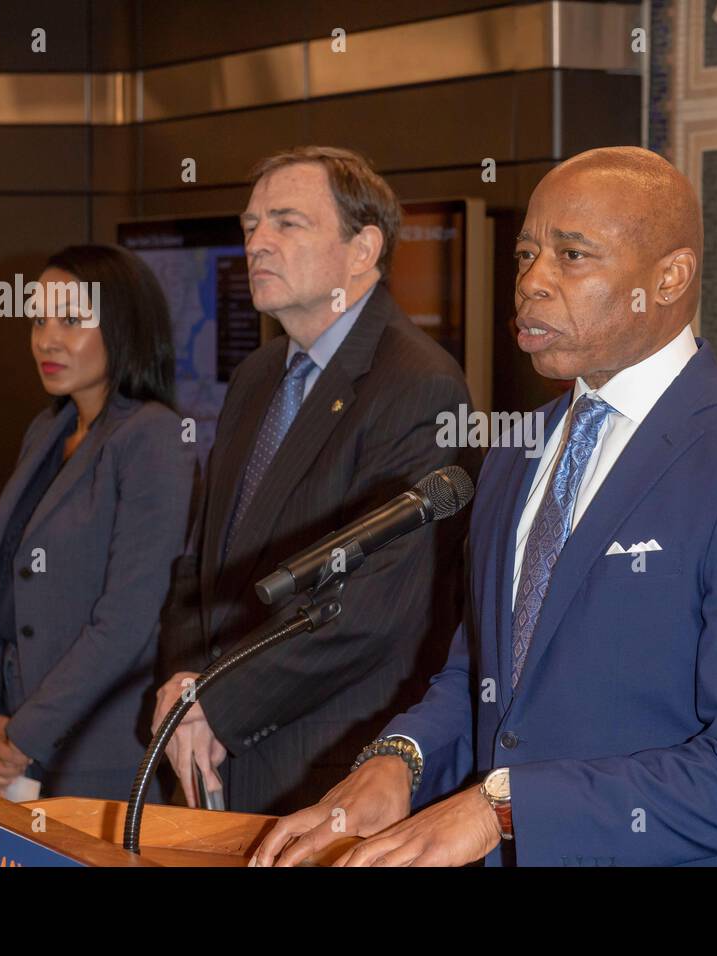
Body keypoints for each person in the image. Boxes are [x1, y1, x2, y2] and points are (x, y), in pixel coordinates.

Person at [250, 146, 717, 867]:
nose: (532, 283)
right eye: (526, 255)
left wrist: (503, 808)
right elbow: (480, 672)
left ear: (669, 278)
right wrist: (400, 761)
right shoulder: (518, 447)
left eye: (571, 255)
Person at [153, 146, 477, 814]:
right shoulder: (256, 375)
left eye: (286, 223)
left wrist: (218, 704)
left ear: (362, 249)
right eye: (250, 226)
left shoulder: (419, 383)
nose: (257, 244)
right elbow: (202, 564)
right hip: (214, 754)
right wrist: (185, 686)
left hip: (320, 766)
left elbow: (380, 611)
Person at [0, 244, 194, 801]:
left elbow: (128, 621)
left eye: (72, 320)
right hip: (8, 742)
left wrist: (24, 734)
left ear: (122, 325)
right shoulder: (46, 431)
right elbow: (0, 587)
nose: (46, 339)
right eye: (38, 319)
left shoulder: (151, 437)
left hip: (95, 755)